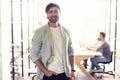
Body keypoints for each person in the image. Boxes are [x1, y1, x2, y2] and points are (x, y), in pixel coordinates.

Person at [30, 3, 76, 80]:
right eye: (50, 12)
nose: (53, 14)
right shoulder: (39, 32)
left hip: (64, 73)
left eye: (56, 11)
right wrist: (45, 71)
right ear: (47, 14)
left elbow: (71, 52)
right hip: (48, 74)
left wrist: (72, 70)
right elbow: (33, 55)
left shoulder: (66, 31)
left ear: (60, 13)